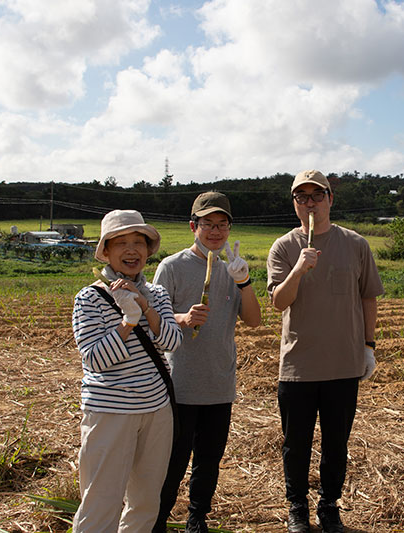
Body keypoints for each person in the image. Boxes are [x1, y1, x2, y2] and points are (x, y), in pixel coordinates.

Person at [266, 170, 384, 533]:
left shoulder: (355, 244)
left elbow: (368, 297)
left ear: (330, 199)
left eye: (317, 195)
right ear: (295, 204)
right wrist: (299, 270)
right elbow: (277, 301)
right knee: (296, 443)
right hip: (299, 366)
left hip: (344, 364)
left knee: (337, 442)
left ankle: (329, 505)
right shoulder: (284, 247)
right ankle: (297, 507)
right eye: (302, 197)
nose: (310, 203)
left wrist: (368, 346)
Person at [151, 192, 262, 533]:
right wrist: (181, 318)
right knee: (172, 461)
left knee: (209, 461)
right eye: (207, 224)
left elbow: (255, 321)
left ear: (229, 228)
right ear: (193, 227)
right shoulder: (172, 267)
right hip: (179, 383)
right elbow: (151, 323)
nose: (215, 232)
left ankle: (197, 518)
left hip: (219, 382)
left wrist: (243, 282)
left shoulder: (233, 268)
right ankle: (156, 518)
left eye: (222, 225)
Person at [71, 209, 183, 533]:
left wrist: (144, 307)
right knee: (101, 502)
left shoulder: (158, 294)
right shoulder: (90, 298)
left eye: (139, 242)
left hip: (157, 411)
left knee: (146, 503)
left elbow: (173, 341)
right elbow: (95, 359)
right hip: (110, 413)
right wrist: (127, 321)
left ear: (148, 251)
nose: (131, 250)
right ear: (106, 251)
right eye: (121, 243)